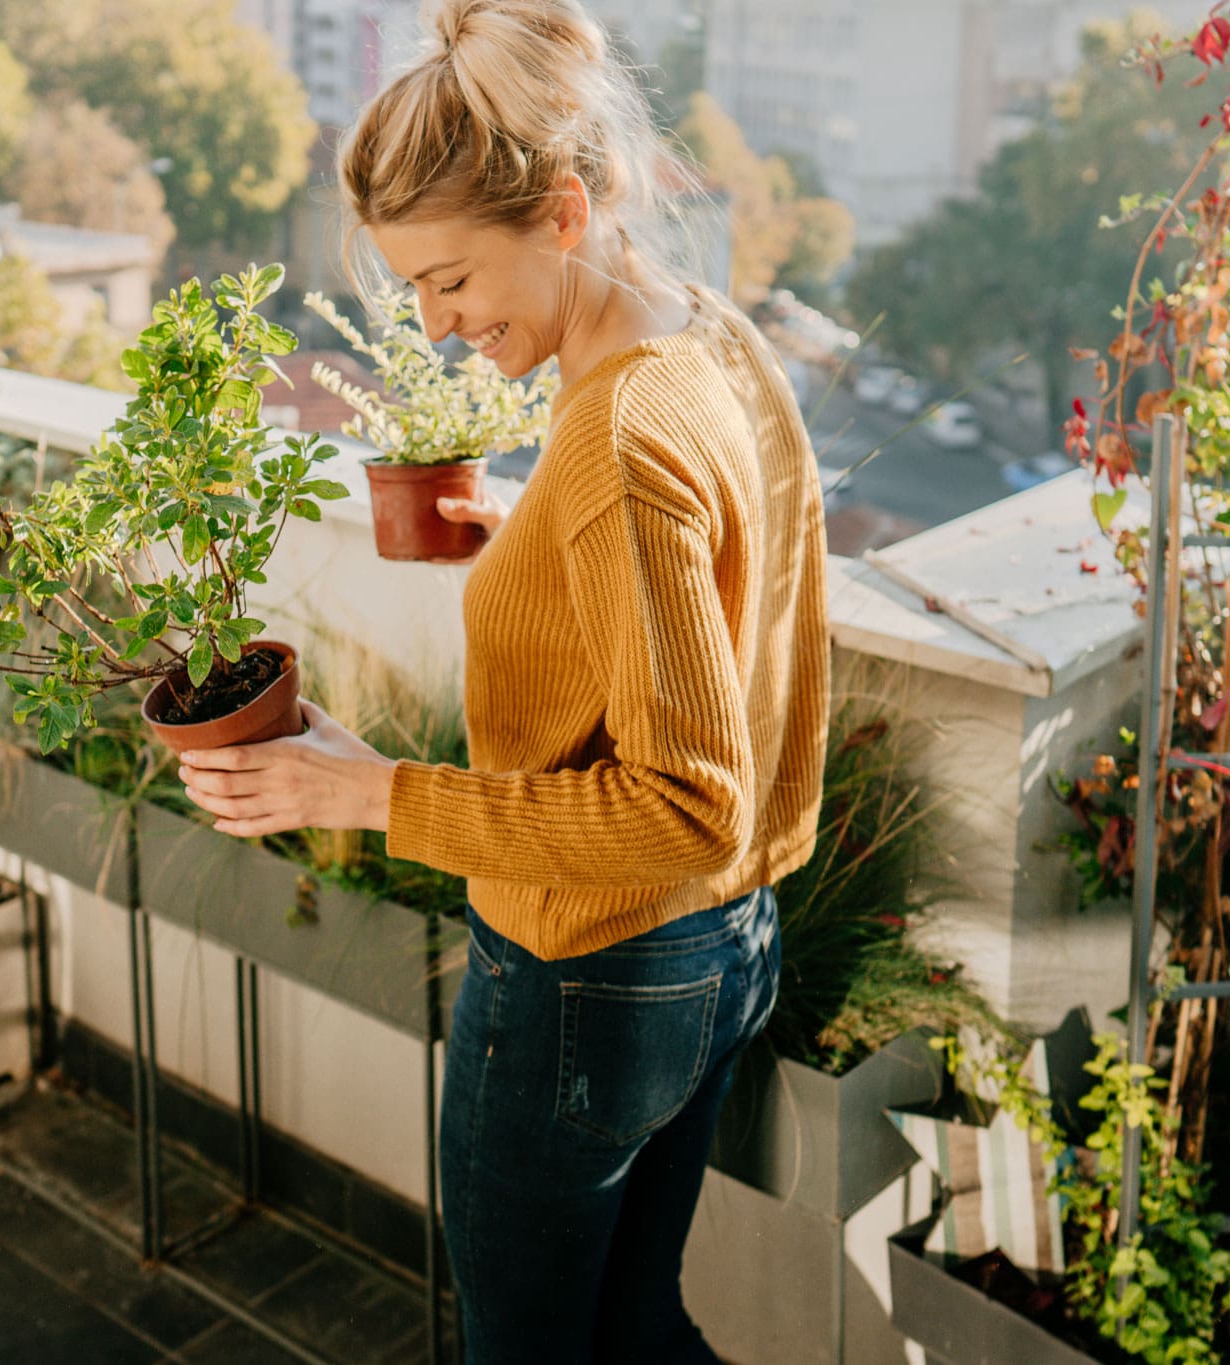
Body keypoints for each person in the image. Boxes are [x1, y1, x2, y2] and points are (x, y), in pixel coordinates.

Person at [174, 0, 830, 1358]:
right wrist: (524, 535)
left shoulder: (619, 448)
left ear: (568, 214)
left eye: (453, 280)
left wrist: (367, 794)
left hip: (598, 968)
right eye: (413, 288)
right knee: (637, 1326)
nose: (434, 322)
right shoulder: (701, 336)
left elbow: (683, 800)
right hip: (726, 944)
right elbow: (716, 565)